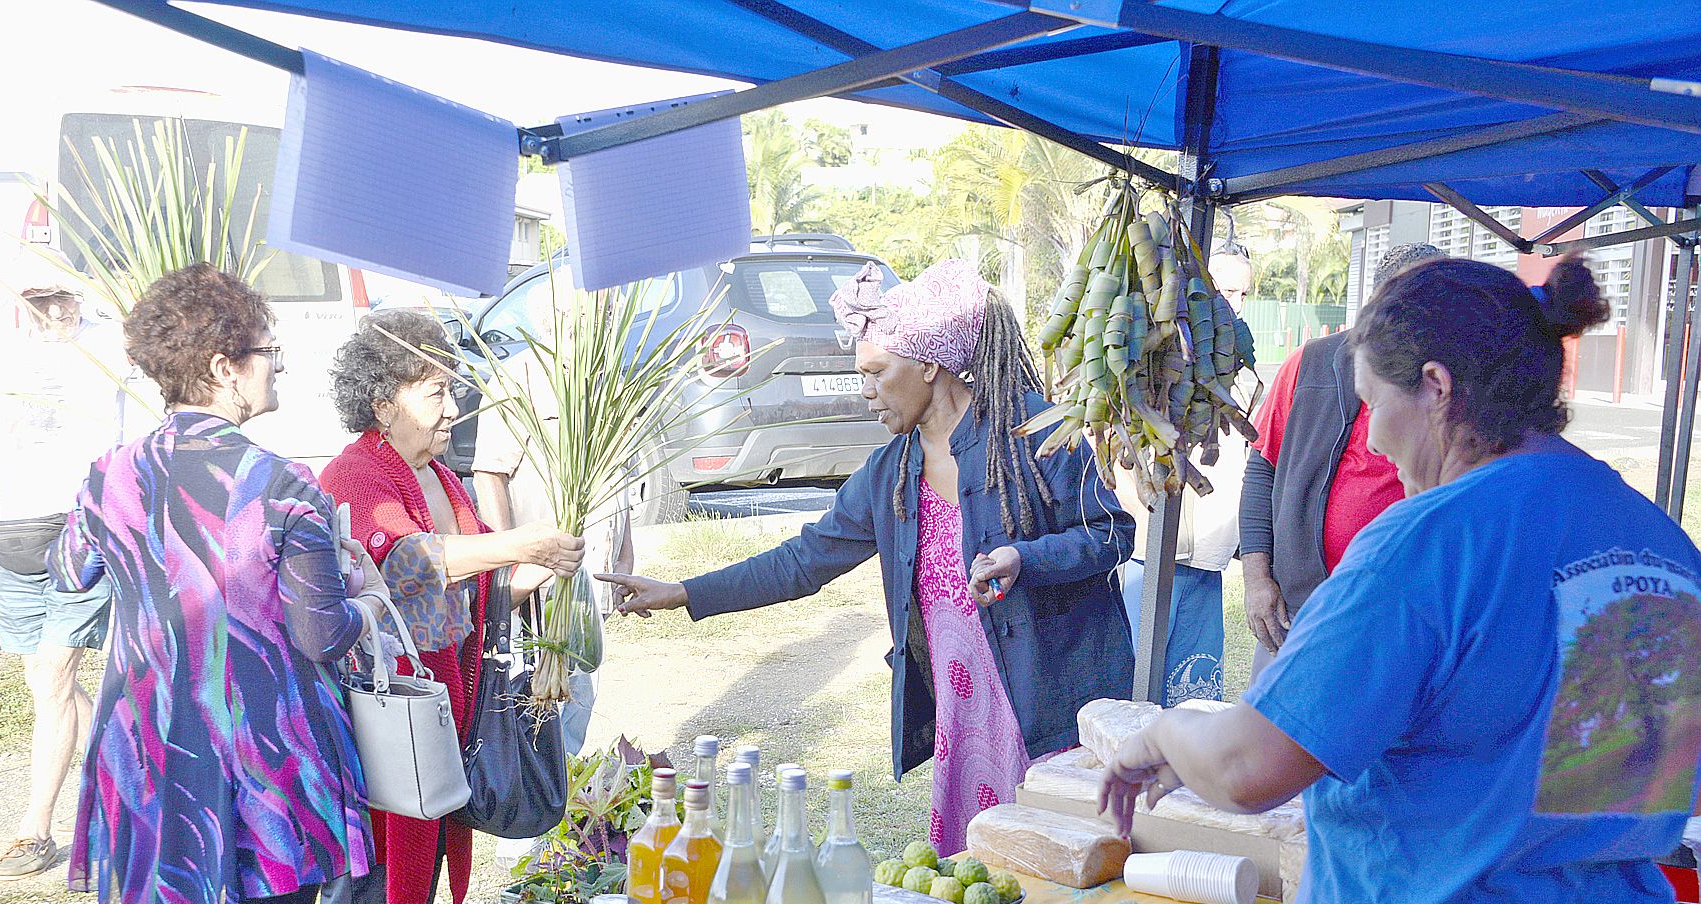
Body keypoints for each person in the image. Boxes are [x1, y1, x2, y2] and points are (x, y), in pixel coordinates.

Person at [1099, 254, 1698, 904]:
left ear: (1437, 388)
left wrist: (1164, 732)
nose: (1373, 441)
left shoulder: (1431, 541)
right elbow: (1607, 788)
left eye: (1375, 405)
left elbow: (1251, 769)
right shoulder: (1660, 546)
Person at [600, 260, 1137, 855]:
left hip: (1050, 703)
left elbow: (1111, 533)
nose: (865, 389)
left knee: (1061, 863)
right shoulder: (891, 475)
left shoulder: (1033, 436)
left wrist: (1023, 558)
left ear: (929, 363)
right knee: (986, 871)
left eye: (878, 372)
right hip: (965, 715)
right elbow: (804, 561)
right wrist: (683, 591)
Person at [49, 263, 381, 904]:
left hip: (151, 755)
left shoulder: (111, 473)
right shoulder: (283, 485)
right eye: (270, 353)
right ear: (227, 368)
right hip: (270, 757)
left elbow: (70, 568)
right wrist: (359, 588)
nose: (278, 369)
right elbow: (322, 633)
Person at [319, 309, 583, 904]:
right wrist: (522, 541)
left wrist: (550, 566)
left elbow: (478, 590)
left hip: (442, 714)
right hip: (383, 720)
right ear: (384, 404)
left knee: (419, 897)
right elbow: (409, 561)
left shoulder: (438, 475)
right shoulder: (357, 475)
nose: (452, 405)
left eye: (451, 387)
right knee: (377, 900)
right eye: (435, 390)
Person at [0, 250, 132, 879]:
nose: (55, 309)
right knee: (47, 685)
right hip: (18, 538)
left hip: (84, 532)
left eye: (61, 295)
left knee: (53, 674)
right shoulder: (10, 358)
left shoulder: (113, 349)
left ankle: (36, 827)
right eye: (39, 300)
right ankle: (114, 781)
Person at [1238, 241, 1442, 674]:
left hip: (1399, 619)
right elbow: (1262, 468)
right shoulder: (1311, 364)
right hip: (1299, 612)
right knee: (1275, 734)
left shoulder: (1446, 383)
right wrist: (1257, 579)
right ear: (1375, 302)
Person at [471, 368, 634, 756]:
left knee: (581, 695)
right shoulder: (519, 377)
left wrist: (625, 557)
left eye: (610, 308)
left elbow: (621, 470)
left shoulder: (611, 376)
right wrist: (506, 570)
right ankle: (541, 804)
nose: (602, 313)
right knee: (534, 718)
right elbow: (489, 473)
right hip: (539, 587)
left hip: (592, 580)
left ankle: (565, 792)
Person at [1118, 246, 1251, 704]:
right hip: (1144, 555)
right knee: (1134, 695)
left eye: (1243, 293)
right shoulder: (1147, 352)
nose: (1233, 303)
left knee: (1193, 697)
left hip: (1207, 561)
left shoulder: (1242, 370)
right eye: (1226, 290)